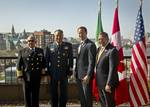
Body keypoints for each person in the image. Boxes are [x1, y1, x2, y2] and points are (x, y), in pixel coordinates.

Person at [45, 29, 73, 107]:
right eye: (57, 35)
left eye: (60, 35)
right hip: (53, 73)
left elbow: (70, 59)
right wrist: (47, 72)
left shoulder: (68, 45)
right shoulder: (49, 46)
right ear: (54, 36)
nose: (58, 37)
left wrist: (70, 71)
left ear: (62, 36)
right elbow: (46, 60)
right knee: (53, 92)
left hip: (64, 73)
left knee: (64, 92)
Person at [16, 34, 46, 107]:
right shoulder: (22, 51)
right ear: (27, 42)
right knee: (27, 96)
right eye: (29, 41)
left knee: (36, 95)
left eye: (32, 41)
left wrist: (43, 75)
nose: (30, 42)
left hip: (37, 77)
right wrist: (20, 76)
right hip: (26, 78)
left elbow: (43, 64)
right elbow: (18, 65)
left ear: (35, 42)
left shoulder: (40, 51)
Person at [95, 32, 119, 107]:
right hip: (100, 82)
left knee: (109, 103)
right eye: (99, 39)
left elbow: (113, 69)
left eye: (102, 39)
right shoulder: (99, 49)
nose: (100, 41)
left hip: (107, 84)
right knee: (103, 103)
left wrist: (109, 84)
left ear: (107, 38)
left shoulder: (112, 50)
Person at [75, 26, 96, 107]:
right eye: (79, 33)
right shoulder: (79, 45)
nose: (80, 34)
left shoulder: (90, 45)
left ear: (86, 33)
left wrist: (88, 75)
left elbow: (92, 62)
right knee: (82, 97)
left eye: (82, 32)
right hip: (78, 75)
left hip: (86, 76)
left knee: (87, 97)